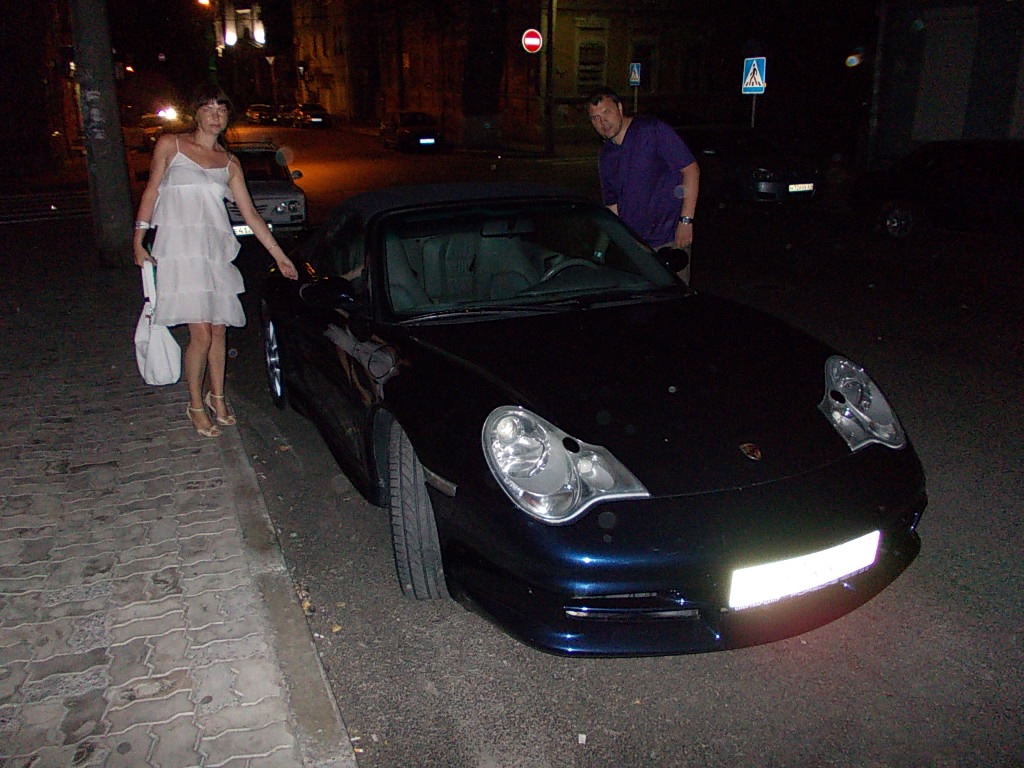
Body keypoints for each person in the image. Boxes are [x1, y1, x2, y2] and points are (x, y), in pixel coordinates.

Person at [133, 84, 298, 438]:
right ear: (195, 113)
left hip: (213, 250)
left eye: (221, 110)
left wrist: (280, 255)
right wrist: (138, 238)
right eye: (208, 108)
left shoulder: (230, 163)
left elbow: (250, 214)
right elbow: (152, 190)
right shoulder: (171, 145)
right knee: (202, 334)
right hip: (180, 251)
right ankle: (195, 404)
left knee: (219, 328)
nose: (215, 115)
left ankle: (217, 396)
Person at [586, 87, 699, 281]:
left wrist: (686, 221)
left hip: (668, 239)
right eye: (595, 118)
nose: (603, 122)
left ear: (619, 108)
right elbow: (612, 206)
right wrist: (604, 247)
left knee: (673, 295)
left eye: (606, 112)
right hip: (635, 247)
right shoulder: (606, 155)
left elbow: (690, 170)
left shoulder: (651, 130)